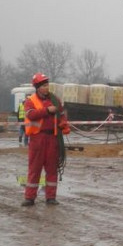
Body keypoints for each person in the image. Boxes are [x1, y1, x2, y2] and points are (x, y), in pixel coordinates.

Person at [21, 73, 70, 207]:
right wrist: (47, 110)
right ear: (37, 87)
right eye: (43, 85)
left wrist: (63, 124)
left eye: (47, 85)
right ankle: (30, 198)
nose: (46, 87)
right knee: (34, 169)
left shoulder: (54, 100)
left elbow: (61, 114)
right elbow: (31, 115)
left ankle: (51, 197)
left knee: (52, 169)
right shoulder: (30, 101)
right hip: (37, 139)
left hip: (52, 139)